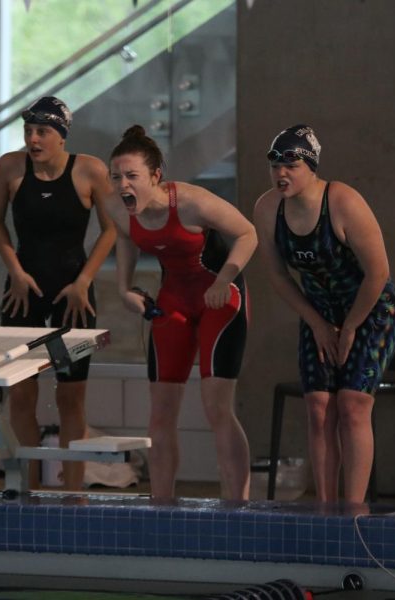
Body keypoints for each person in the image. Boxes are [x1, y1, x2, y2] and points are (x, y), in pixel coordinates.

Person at [253, 125, 395, 505]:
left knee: (352, 405)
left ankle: (353, 512)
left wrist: (350, 326)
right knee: (319, 408)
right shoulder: (268, 208)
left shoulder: (343, 201)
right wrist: (318, 323)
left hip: (371, 309)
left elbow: (378, 272)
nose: (281, 173)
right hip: (319, 311)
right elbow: (278, 277)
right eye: (274, 164)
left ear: (312, 166)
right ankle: (325, 509)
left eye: (292, 163)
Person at [105, 125, 255, 501]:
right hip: (173, 301)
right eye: (116, 176)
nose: (123, 184)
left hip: (221, 299)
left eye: (132, 176)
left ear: (156, 176)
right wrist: (124, 288)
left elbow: (247, 233)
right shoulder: (117, 208)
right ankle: (161, 504)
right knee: (159, 413)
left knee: (216, 406)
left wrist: (224, 280)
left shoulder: (190, 202)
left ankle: (237, 505)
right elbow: (125, 239)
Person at [0, 96, 116, 491]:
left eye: (42, 131)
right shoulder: (10, 167)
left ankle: (74, 490)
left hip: (71, 299)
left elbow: (112, 228)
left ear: (61, 136)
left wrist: (84, 281)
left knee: (70, 397)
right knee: (21, 396)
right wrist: (16, 272)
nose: (33, 139)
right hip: (23, 293)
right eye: (28, 131)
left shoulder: (89, 170)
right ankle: (29, 486)